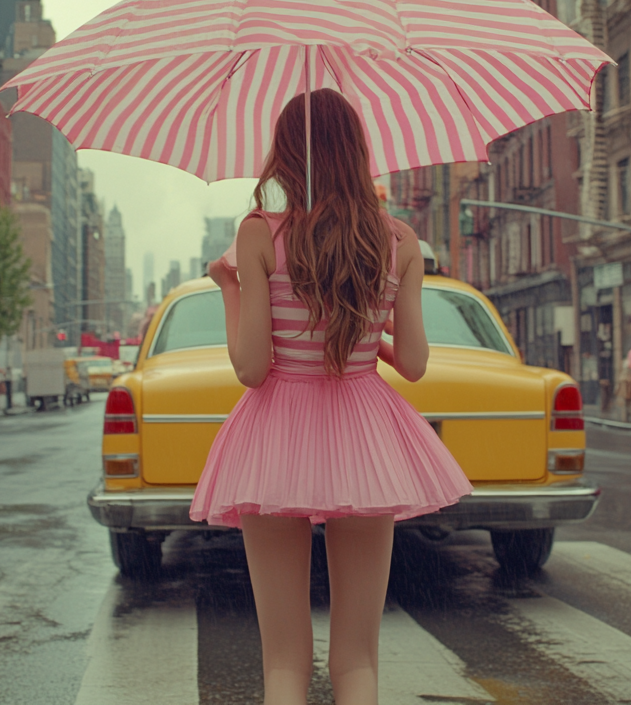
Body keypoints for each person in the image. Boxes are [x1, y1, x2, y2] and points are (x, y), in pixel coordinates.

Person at [191, 90, 471, 705]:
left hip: (273, 436)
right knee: (358, 661)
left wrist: (227, 286)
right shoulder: (398, 241)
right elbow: (418, 365)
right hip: (366, 436)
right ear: (358, 150)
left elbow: (253, 368)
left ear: (285, 154)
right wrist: (368, 333)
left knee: (284, 665)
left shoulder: (260, 234)